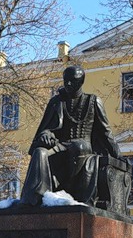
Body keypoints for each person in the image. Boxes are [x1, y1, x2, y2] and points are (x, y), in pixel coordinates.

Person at [19, 65, 121, 206]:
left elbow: (105, 131)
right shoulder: (56, 102)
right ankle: (36, 197)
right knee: (40, 152)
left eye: (72, 81)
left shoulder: (93, 101)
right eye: (65, 80)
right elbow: (45, 128)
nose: (68, 84)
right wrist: (46, 135)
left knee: (77, 146)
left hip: (83, 147)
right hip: (60, 146)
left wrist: (118, 155)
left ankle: (73, 192)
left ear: (81, 82)